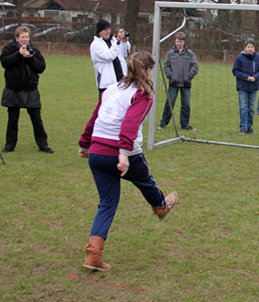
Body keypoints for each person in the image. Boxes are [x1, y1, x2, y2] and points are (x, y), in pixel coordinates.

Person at [78, 51, 178, 272]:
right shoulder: (142, 94)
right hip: (121, 153)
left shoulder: (111, 89)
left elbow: (95, 118)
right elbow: (130, 126)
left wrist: (85, 145)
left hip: (96, 152)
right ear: (148, 70)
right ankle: (161, 207)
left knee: (107, 203)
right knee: (145, 181)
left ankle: (93, 254)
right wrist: (123, 153)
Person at [0, 26, 53, 154]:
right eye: (22, 37)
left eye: (27, 37)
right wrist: (18, 54)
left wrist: (30, 58)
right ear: (16, 38)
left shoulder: (34, 50)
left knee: (36, 119)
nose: (25, 39)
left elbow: (41, 68)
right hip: (14, 89)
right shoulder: (8, 49)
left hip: (30, 89)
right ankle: (10, 145)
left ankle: (43, 145)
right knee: (13, 119)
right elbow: (5, 63)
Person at [158, 31, 199, 130]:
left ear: (184, 42)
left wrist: (189, 76)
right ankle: (163, 122)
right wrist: (171, 76)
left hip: (186, 83)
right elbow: (166, 66)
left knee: (186, 104)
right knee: (170, 102)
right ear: (175, 41)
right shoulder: (170, 54)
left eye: (180, 41)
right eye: (177, 41)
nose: (179, 43)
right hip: (173, 83)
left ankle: (185, 124)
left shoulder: (190, 54)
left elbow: (195, 66)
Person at [232, 41, 259, 135]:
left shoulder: (258, 58)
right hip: (243, 86)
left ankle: (249, 127)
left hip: (254, 87)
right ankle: (242, 128)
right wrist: (246, 77)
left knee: (251, 108)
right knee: (243, 107)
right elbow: (235, 71)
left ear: (254, 48)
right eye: (248, 47)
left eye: (252, 47)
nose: (250, 48)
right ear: (245, 48)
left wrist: (255, 77)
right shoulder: (240, 58)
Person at [90, 19, 127, 95]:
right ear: (99, 31)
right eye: (105, 30)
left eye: (109, 29)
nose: (108, 32)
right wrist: (118, 42)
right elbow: (109, 56)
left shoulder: (113, 40)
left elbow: (123, 55)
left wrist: (124, 42)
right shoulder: (95, 45)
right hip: (106, 83)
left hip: (121, 81)